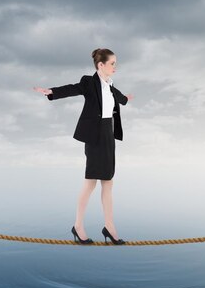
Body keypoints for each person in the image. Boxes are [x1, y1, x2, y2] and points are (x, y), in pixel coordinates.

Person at [33, 48, 134, 245]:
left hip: (108, 136)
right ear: (101, 65)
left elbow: (120, 99)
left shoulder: (111, 86)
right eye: (112, 63)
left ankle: (109, 226)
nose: (116, 67)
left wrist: (127, 98)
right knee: (90, 183)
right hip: (94, 136)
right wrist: (52, 92)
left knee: (108, 182)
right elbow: (73, 88)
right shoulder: (89, 82)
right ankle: (78, 226)